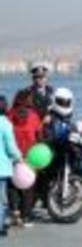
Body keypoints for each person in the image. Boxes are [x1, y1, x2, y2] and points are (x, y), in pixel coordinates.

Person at [8, 90, 41, 227]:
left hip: (13, 156)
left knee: (13, 186)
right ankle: (26, 216)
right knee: (28, 187)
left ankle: (15, 211)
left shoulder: (9, 115)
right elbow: (39, 134)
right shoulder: (33, 116)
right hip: (30, 156)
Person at [0, 95, 25, 237]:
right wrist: (19, 157)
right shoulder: (5, 124)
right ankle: (1, 226)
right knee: (1, 199)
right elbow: (10, 147)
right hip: (2, 168)